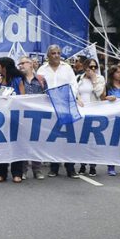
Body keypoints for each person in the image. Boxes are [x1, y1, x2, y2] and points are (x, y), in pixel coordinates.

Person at [37, 45, 80, 178]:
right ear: (48, 55)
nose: (56, 55)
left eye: (58, 53)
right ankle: (54, 167)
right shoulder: (42, 69)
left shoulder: (66, 68)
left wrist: (66, 97)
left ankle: (70, 168)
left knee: (68, 137)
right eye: (53, 53)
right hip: (49, 106)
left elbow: (73, 84)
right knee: (53, 137)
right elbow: (38, 86)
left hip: (66, 106)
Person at [0, 57, 26, 183]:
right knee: (0, 145)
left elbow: (23, 98)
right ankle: (1, 172)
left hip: (15, 117)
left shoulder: (18, 80)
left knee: (17, 145)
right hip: (1, 118)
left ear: (4, 67)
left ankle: (17, 172)